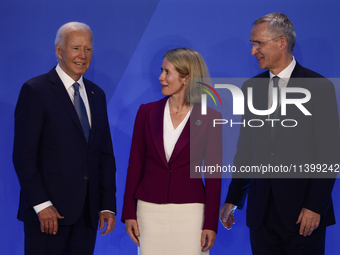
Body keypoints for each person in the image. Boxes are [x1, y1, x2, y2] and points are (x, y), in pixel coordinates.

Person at [220, 13, 339, 255]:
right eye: (253, 44)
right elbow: (246, 149)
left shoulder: (319, 86)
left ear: (282, 42)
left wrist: (314, 206)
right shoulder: (251, 87)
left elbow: (329, 154)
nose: (253, 51)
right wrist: (234, 197)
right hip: (261, 213)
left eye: (258, 43)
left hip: (303, 214)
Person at [13, 22, 117, 255]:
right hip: (49, 215)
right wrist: (42, 205)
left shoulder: (96, 94)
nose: (82, 56)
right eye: (76, 48)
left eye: (88, 49)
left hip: (87, 214)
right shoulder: (35, 90)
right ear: (59, 51)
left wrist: (107, 204)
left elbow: (104, 155)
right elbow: (23, 155)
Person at [121, 48, 222, 254]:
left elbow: (214, 176)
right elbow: (135, 165)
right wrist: (129, 212)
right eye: (161, 71)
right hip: (148, 212)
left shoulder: (210, 117)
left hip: (191, 213)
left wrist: (210, 224)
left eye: (167, 72)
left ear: (186, 77)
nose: (160, 77)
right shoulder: (146, 112)